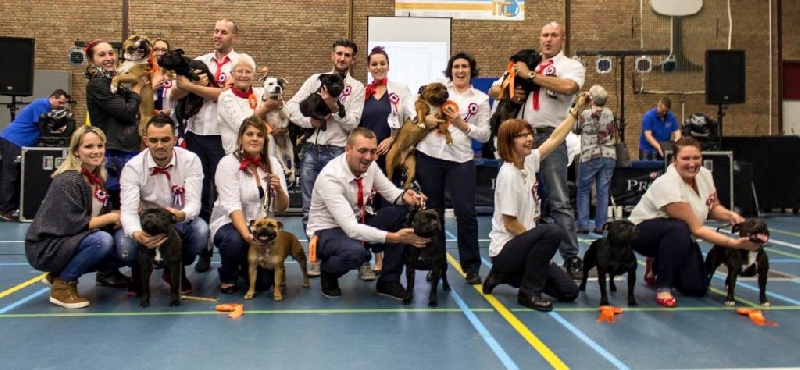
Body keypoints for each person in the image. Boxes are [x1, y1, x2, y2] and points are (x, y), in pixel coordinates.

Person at [489, 22, 586, 279]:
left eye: (554, 35)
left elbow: (568, 88)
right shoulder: (526, 60)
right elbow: (493, 89)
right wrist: (514, 92)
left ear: (562, 39)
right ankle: (512, 251)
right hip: (519, 137)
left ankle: (571, 257)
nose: (548, 39)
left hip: (549, 135)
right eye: (545, 35)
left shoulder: (570, 66)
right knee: (512, 196)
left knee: (559, 199)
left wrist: (531, 76)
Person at [482, 93, 590, 312]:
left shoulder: (529, 161)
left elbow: (555, 138)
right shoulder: (508, 175)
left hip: (525, 245)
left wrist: (575, 110)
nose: (530, 138)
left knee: (569, 291)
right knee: (552, 232)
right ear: (509, 142)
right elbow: (511, 224)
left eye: (529, 134)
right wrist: (540, 253)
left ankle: (504, 276)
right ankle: (528, 293)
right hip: (505, 250)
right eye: (522, 136)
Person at [628, 136, 760, 307]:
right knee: (678, 228)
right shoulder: (667, 184)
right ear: (674, 160)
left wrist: (731, 216)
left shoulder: (704, 175)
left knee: (697, 287)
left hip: (678, 237)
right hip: (643, 233)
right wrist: (734, 243)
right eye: (686, 158)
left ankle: (657, 265)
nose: (692, 163)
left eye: (696, 158)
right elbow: (697, 229)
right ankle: (664, 287)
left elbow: (712, 207)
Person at [307, 127, 428, 298]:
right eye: (362, 151)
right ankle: (329, 271)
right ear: (347, 150)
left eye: (372, 151)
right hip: (326, 232)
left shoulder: (370, 166)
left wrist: (406, 196)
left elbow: (392, 194)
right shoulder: (331, 177)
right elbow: (350, 229)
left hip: (357, 222)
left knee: (403, 212)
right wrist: (393, 237)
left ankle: (389, 280)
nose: (368, 157)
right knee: (357, 253)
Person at [285, 38, 365, 277]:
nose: (342, 58)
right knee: (310, 209)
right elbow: (290, 107)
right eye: (339, 54)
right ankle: (315, 258)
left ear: (353, 59)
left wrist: (332, 106)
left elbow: (353, 123)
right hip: (311, 149)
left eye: (347, 55)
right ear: (332, 55)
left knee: (349, 208)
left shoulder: (357, 88)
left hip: (340, 152)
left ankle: (355, 257)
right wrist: (310, 121)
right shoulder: (314, 79)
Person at [415, 52, 490, 285]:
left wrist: (460, 124)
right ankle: (434, 264)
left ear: (471, 70)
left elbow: (485, 135)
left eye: (464, 67)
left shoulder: (481, 99)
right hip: (429, 156)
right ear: (450, 70)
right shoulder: (435, 91)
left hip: (461, 159)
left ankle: (471, 266)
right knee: (432, 213)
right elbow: (416, 114)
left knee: (466, 212)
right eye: (456, 66)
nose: (460, 70)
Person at [25, 126, 121, 308]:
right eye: (89, 147)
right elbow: (75, 223)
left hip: (72, 239)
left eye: (100, 146)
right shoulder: (69, 180)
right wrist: (110, 218)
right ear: (76, 151)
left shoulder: (96, 178)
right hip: (48, 246)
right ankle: (63, 285)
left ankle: (58, 273)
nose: (96, 151)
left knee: (123, 247)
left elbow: (99, 212)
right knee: (102, 241)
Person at [171, 19, 239, 273]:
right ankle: (203, 251)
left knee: (222, 195)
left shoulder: (240, 63)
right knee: (198, 194)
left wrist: (193, 87)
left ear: (234, 37)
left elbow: (227, 95)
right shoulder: (199, 61)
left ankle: (228, 251)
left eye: (223, 32)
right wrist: (187, 87)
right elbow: (175, 93)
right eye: (215, 31)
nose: (217, 35)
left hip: (224, 138)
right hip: (197, 134)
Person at [116, 114, 209, 293]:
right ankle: (139, 271)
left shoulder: (191, 161)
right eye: (154, 140)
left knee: (201, 231)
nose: (160, 145)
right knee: (125, 246)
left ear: (175, 138)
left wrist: (180, 214)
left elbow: (194, 204)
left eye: (166, 139)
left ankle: (174, 269)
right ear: (145, 140)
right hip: (145, 223)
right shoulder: (132, 167)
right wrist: (136, 234)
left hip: (176, 220)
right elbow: (128, 211)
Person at [84, 39, 148, 288]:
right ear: (92, 60)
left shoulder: (117, 79)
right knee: (112, 211)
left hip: (127, 150)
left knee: (130, 208)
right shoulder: (99, 84)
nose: (108, 57)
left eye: (111, 53)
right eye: (102, 55)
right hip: (111, 153)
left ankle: (129, 265)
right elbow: (125, 111)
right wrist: (135, 92)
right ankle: (106, 269)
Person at [209, 116, 289, 294]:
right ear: (240, 138)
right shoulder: (227, 164)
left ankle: (245, 266)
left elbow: (282, 207)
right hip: (231, 224)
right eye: (250, 134)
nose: (254, 138)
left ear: (265, 140)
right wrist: (248, 235)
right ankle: (228, 275)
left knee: (263, 286)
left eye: (260, 135)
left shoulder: (273, 163)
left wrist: (279, 190)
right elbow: (232, 206)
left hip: (261, 227)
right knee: (234, 241)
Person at [356, 46, 415, 279]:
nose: (378, 67)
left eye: (382, 63)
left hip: (390, 160)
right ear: (369, 68)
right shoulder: (363, 93)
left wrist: (393, 139)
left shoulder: (400, 90)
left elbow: (409, 119)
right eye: (374, 64)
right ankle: (373, 258)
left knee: (389, 209)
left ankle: (391, 258)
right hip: (366, 160)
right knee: (368, 209)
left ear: (388, 65)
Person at [0, 89, 71, 221]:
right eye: (60, 102)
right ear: (52, 98)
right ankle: (5, 209)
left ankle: (14, 206)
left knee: (19, 175)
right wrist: (61, 127)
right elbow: (44, 124)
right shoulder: (40, 104)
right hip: (12, 140)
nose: (61, 106)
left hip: (20, 143)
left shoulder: (50, 109)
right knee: (10, 175)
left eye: (64, 104)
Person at [217, 53, 283, 155]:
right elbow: (240, 126)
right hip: (238, 155)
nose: (243, 75)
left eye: (248, 72)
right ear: (232, 74)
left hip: (267, 155)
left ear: (253, 75)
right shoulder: (225, 97)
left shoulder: (261, 93)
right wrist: (266, 107)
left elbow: (280, 107)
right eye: (239, 71)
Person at [572, 85, 616, 234]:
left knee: (584, 190)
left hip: (590, 155)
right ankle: (600, 225)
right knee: (603, 191)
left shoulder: (585, 113)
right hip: (609, 154)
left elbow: (575, 129)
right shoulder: (610, 113)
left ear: (591, 98)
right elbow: (612, 131)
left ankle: (583, 225)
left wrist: (581, 103)